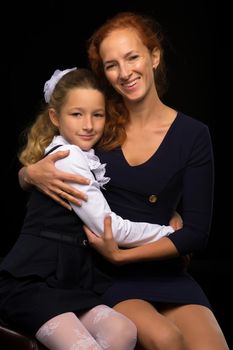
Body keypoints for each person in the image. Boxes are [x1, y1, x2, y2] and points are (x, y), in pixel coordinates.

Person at [17, 12, 229, 350]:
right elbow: (51, 151)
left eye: (133, 57)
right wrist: (28, 173)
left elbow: (196, 234)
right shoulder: (96, 123)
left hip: (163, 268)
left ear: (154, 56)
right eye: (112, 64)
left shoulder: (194, 134)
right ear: (104, 72)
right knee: (166, 339)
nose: (125, 72)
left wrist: (128, 252)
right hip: (104, 273)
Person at [0, 67, 140, 350]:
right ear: (55, 117)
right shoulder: (66, 154)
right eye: (77, 114)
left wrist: (168, 212)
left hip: (73, 280)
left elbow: (139, 195)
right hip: (33, 281)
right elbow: (109, 224)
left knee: (124, 330)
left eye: (97, 115)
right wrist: (26, 174)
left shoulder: (101, 156)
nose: (88, 124)